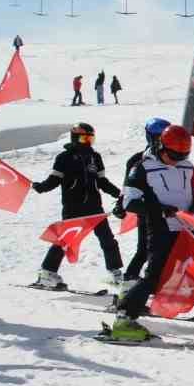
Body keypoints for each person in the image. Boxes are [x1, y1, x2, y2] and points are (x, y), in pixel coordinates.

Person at [109, 125, 194, 342]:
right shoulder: (142, 167)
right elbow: (130, 203)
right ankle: (124, 318)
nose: (176, 160)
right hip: (161, 229)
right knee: (155, 277)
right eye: (173, 155)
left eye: (182, 156)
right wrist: (160, 209)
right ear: (160, 146)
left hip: (188, 229)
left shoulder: (188, 167)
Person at [31, 123, 124, 291]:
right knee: (65, 240)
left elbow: (102, 182)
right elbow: (54, 180)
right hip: (73, 207)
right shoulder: (64, 158)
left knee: (107, 238)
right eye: (84, 138)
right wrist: (41, 187)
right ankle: (47, 272)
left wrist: (120, 194)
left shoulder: (95, 157)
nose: (87, 142)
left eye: (90, 138)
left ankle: (115, 272)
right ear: (75, 138)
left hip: (94, 207)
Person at [114, 119, 171, 297]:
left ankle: (160, 284)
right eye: (156, 137)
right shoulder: (137, 160)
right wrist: (120, 204)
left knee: (166, 250)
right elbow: (129, 187)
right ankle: (128, 286)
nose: (160, 141)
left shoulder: (172, 156)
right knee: (144, 250)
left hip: (170, 213)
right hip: (148, 211)